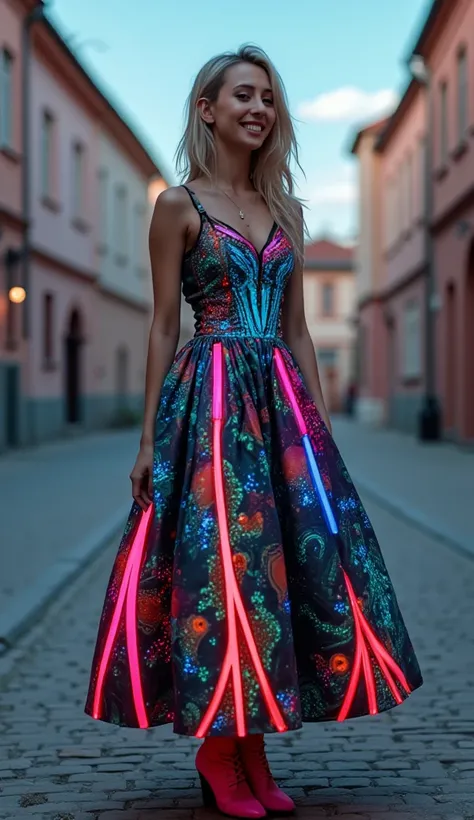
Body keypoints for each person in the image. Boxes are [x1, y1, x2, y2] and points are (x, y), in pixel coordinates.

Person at [85, 45, 423, 819]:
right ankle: (218, 746)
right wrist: (144, 442)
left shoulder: (288, 211)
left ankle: (254, 743)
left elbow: (300, 333)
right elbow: (162, 325)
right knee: (222, 569)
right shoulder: (178, 206)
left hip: (281, 409)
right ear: (207, 109)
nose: (259, 109)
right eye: (243, 95)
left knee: (281, 574)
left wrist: (320, 433)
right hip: (206, 404)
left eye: (268, 98)